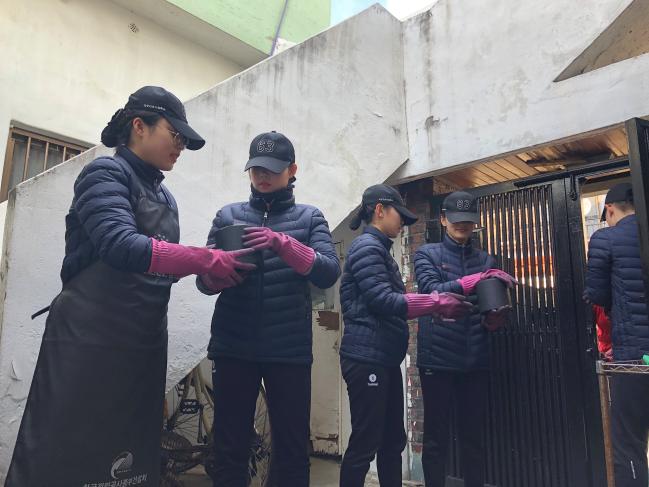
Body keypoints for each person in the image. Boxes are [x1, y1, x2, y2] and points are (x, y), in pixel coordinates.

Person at [5, 86, 256, 487]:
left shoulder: (166, 197)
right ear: (139, 126)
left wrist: (212, 275)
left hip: (143, 341)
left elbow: (162, 265)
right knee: (65, 449)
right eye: (175, 136)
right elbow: (121, 247)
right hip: (88, 339)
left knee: (130, 456)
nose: (181, 147)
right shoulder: (104, 174)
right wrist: (203, 258)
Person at [197, 131, 341, 487]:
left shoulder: (309, 218)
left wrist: (283, 244)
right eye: (256, 169)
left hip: (288, 350)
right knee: (230, 447)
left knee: (291, 450)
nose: (263, 176)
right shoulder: (227, 215)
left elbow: (328, 271)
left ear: (292, 170)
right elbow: (203, 283)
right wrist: (218, 275)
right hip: (233, 346)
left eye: (273, 170)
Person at [338, 184, 472, 487]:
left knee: (392, 441)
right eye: (400, 215)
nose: (402, 223)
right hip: (366, 358)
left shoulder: (378, 250)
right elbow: (384, 300)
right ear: (380, 210)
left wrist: (430, 305)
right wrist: (435, 302)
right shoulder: (367, 248)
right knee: (365, 442)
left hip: (383, 358)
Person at [414, 191, 516, 487]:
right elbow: (432, 292)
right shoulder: (427, 254)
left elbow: (490, 307)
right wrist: (474, 281)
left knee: (475, 437)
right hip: (437, 359)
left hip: (476, 358)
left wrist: (494, 319)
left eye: (468, 221)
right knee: (435, 437)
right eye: (456, 220)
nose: (462, 225)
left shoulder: (486, 259)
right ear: (443, 219)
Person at [584, 182, 649, 487]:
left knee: (628, 441)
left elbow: (597, 294)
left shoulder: (605, 239)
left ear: (609, 209)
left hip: (634, 357)